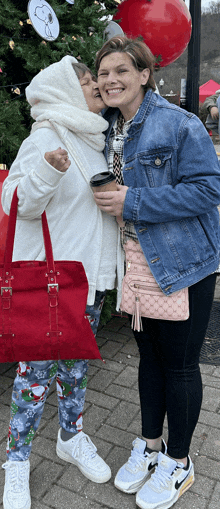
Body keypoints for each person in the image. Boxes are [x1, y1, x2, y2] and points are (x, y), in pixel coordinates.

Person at [93, 36, 220, 509]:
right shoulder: (106, 128)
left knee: (181, 364)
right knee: (149, 357)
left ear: (144, 75)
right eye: (104, 73)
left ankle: (181, 464)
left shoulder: (178, 124)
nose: (111, 81)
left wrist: (134, 200)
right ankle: (150, 448)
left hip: (184, 259)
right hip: (136, 260)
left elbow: (208, 190)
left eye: (121, 71)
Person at [1, 55, 124, 509]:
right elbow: (14, 202)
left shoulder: (92, 136)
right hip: (52, 283)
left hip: (85, 280)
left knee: (74, 368)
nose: (97, 85)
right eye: (88, 80)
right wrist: (48, 171)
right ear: (65, 89)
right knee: (33, 378)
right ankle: (16, 462)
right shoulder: (47, 135)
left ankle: (70, 437)